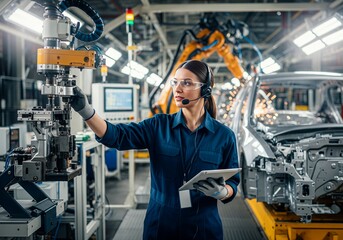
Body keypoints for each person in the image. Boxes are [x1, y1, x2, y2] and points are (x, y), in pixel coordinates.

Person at [70, 60, 239, 240]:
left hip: (204, 227)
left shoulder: (224, 136)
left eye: (187, 83)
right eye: (175, 82)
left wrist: (222, 192)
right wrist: (86, 111)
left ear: (205, 90)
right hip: (161, 225)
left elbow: (233, 183)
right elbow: (117, 136)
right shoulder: (158, 126)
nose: (178, 89)